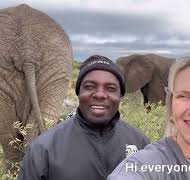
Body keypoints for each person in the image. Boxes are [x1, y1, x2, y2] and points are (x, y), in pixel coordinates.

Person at [17, 55, 150, 180]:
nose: (100, 95)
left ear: (120, 96)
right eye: (89, 87)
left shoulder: (141, 143)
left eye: (110, 88)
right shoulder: (43, 149)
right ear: (79, 93)